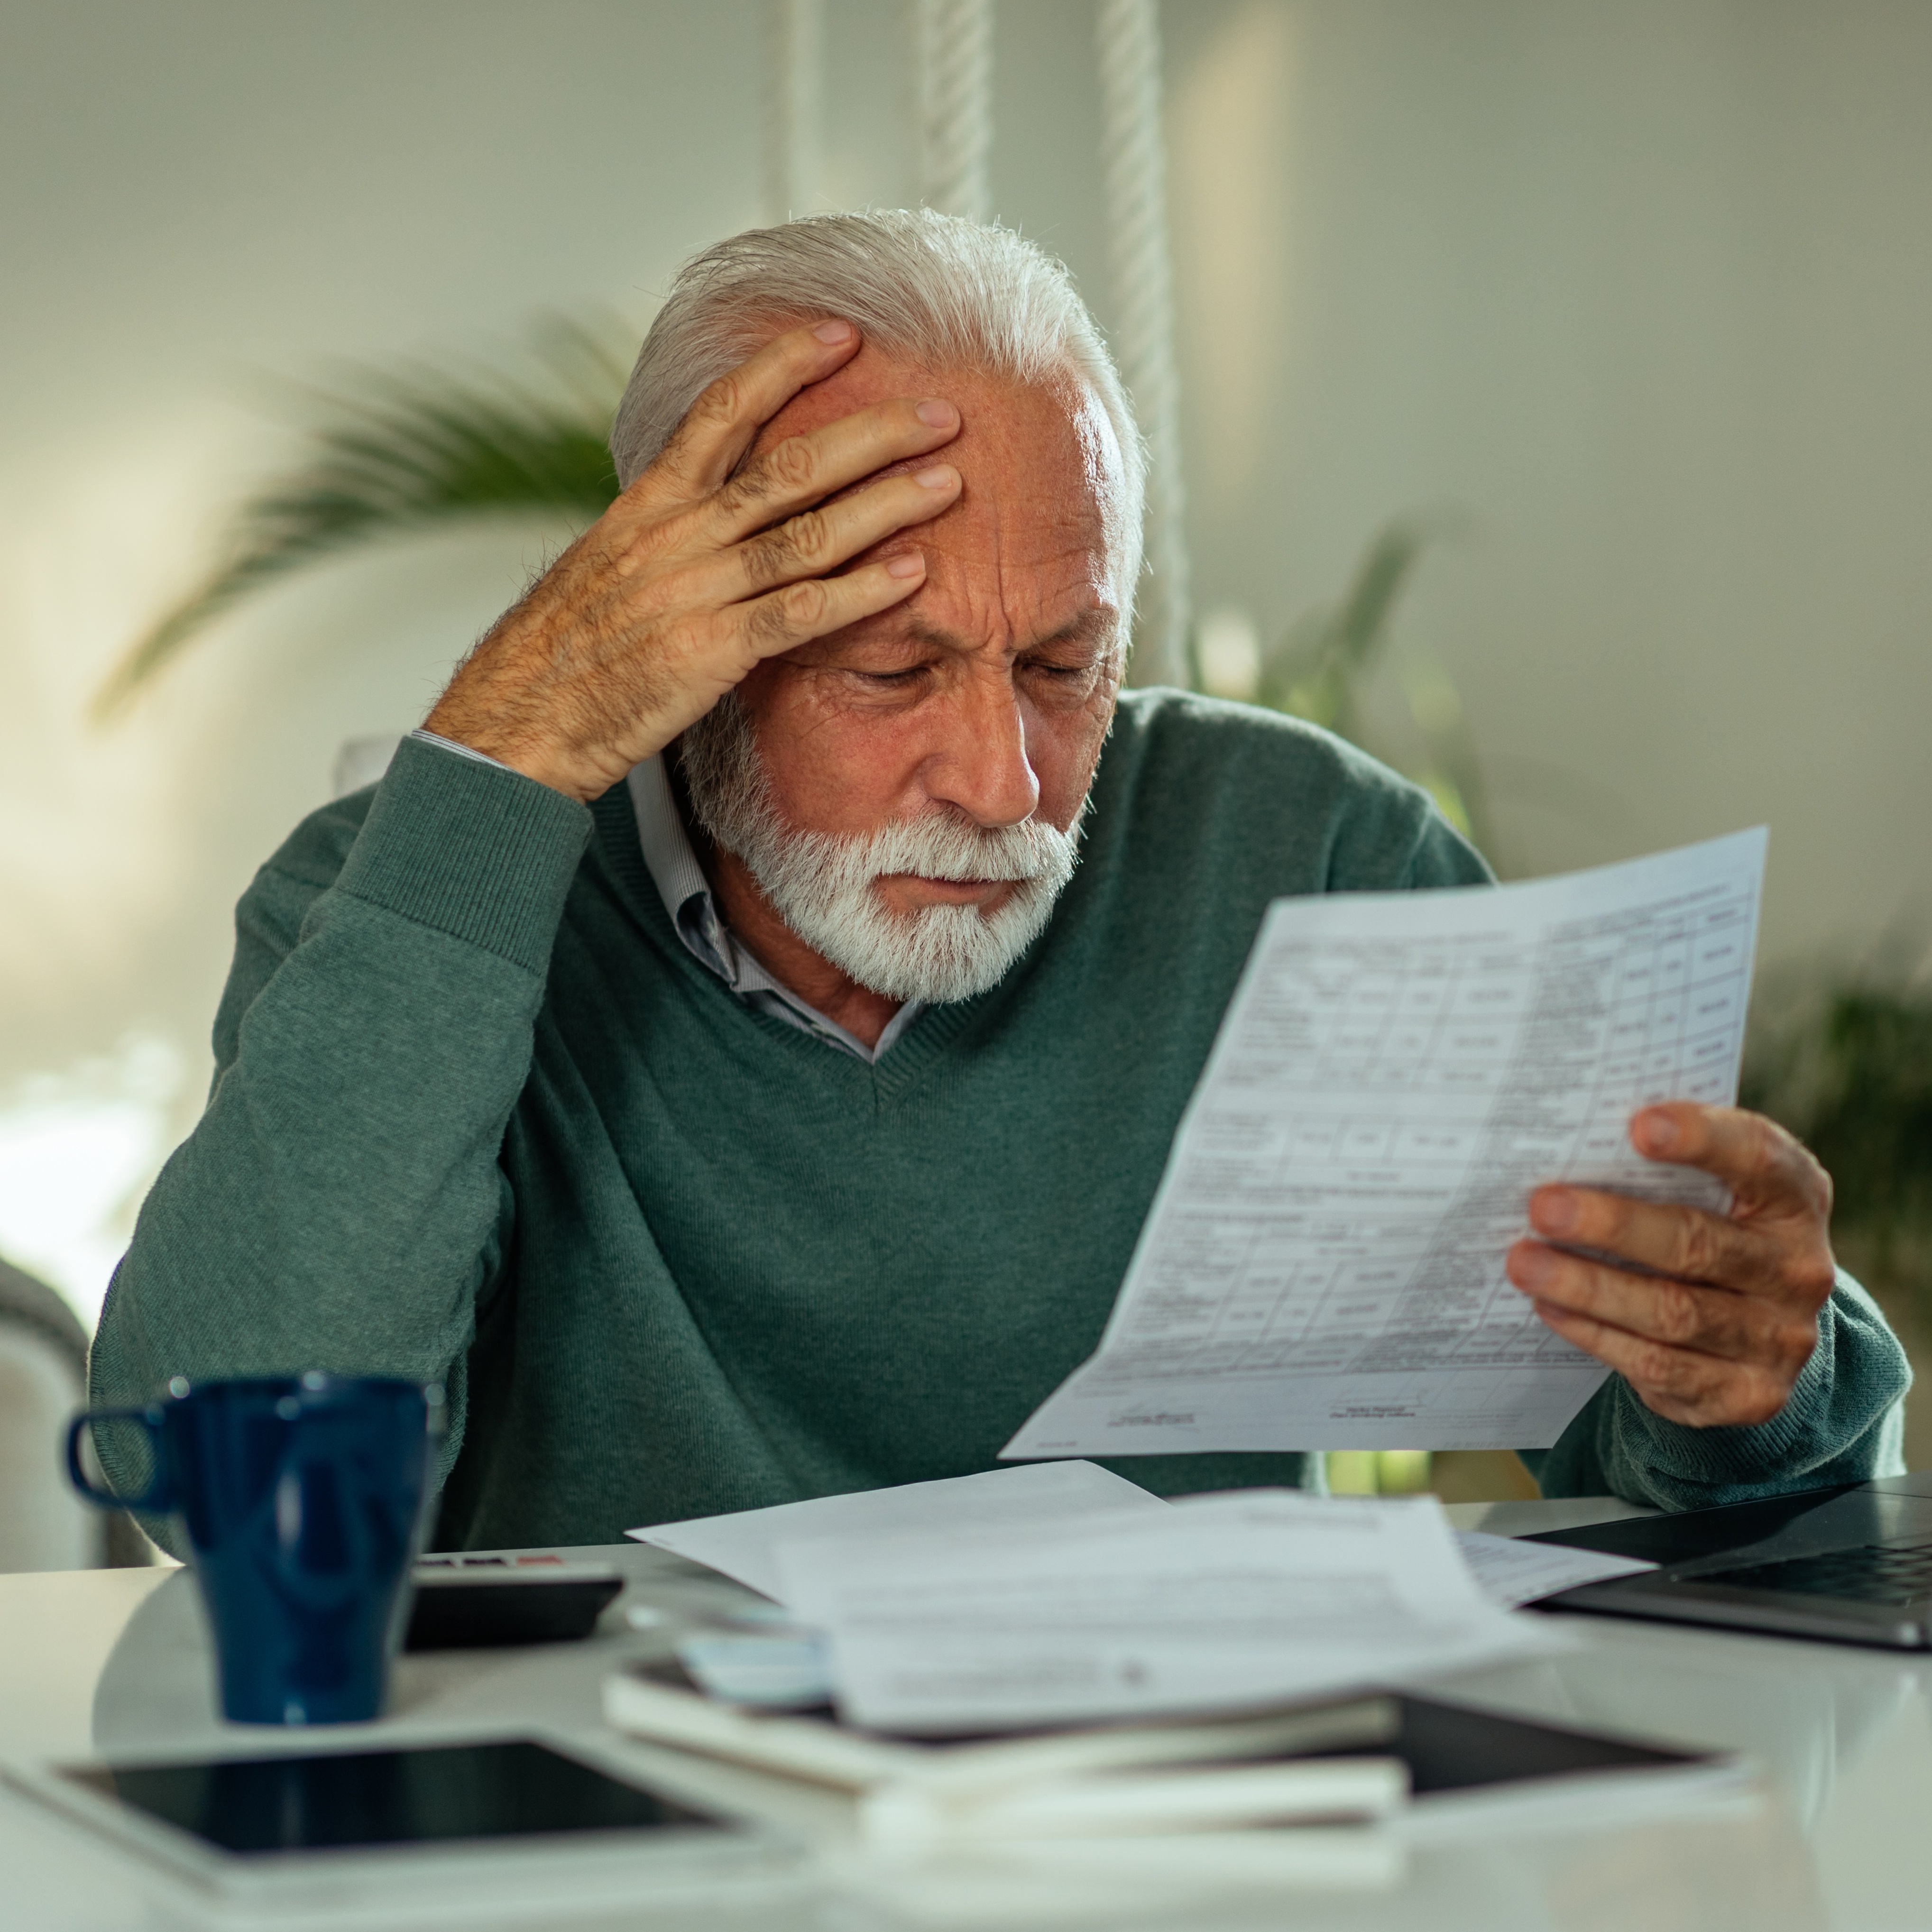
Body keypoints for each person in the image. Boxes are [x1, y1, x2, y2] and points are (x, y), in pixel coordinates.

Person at [91, 211, 1907, 1552]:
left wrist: (1745, 1370)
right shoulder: (400, 900)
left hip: (1182, 1850)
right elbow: (221, 1496)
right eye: (890, 672)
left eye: (1063, 665)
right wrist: (500, 757)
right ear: (680, 632)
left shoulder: (1311, 856)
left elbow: (1704, 1482)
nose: (1004, 782)